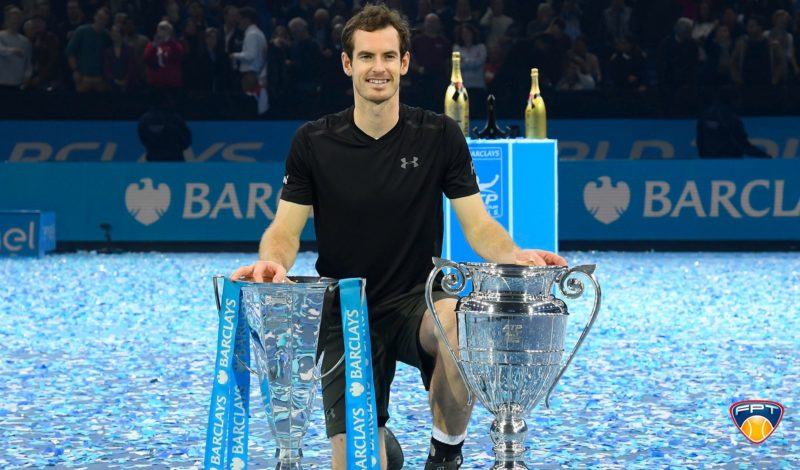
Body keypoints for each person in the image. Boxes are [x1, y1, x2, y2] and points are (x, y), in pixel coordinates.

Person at [229, 4, 567, 470]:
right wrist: (274, 262)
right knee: (357, 462)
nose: (378, 68)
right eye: (366, 57)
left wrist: (515, 255)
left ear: (404, 63)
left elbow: (478, 224)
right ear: (347, 64)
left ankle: (444, 454)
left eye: (389, 56)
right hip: (345, 306)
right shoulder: (313, 142)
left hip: (418, 297)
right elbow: (285, 229)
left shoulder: (439, 135)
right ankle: (380, 443)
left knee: (459, 323)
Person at [696, 86, 771, 158]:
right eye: (738, 98)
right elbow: (743, 145)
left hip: (709, 161)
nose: (740, 102)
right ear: (733, 100)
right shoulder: (731, 119)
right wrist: (764, 156)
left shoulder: (705, 115)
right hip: (730, 161)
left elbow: (700, 141)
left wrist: (704, 159)